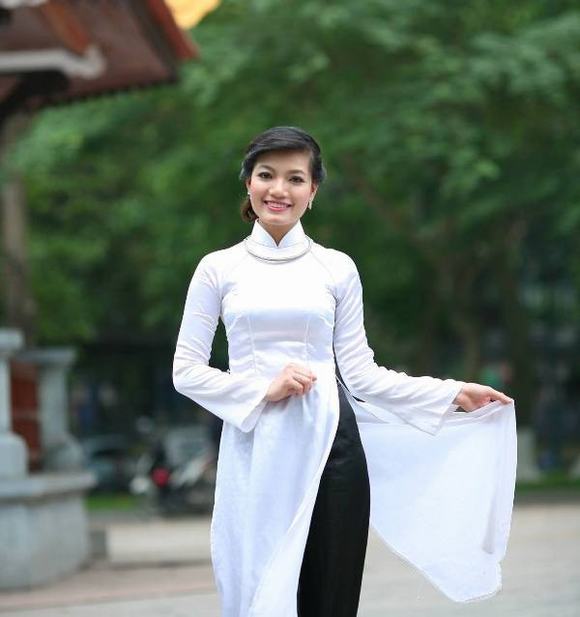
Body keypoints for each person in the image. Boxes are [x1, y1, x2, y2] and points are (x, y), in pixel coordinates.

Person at [173, 126, 517, 617]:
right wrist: (263, 388)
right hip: (258, 451)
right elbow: (186, 370)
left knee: (330, 596)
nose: (279, 189)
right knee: (258, 587)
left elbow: (361, 374)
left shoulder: (335, 268)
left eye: (295, 178)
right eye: (267, 175)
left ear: (312, 191)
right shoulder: (218, 269)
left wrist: (450, 393)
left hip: (334, 447)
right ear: (248, 183)